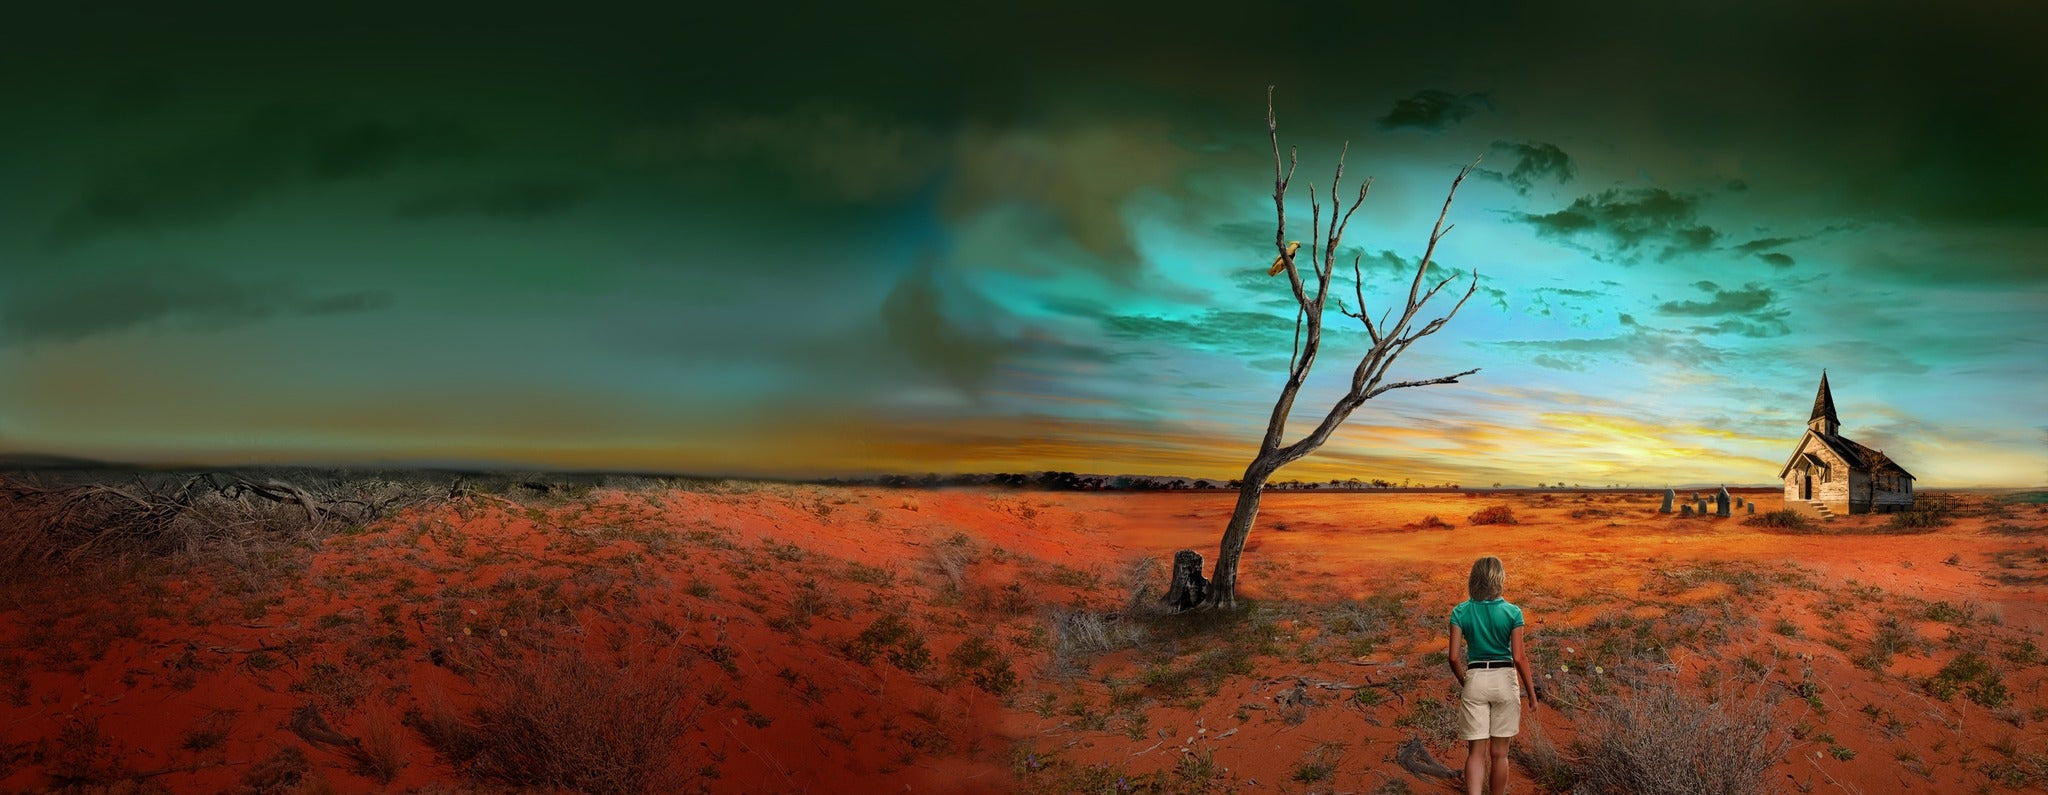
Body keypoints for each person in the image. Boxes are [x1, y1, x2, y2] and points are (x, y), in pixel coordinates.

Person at [1447, 556, 1538, 795]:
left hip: (1475, 677)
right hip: (1504, 679)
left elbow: (1453, 657)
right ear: (1499, 579)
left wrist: (1465, 681)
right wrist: (1531, 693)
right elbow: (1519, 657)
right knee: (1500, 754)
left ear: (1474, 579)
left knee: (1475, 753)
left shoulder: (1460, 612)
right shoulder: (1513, 612)